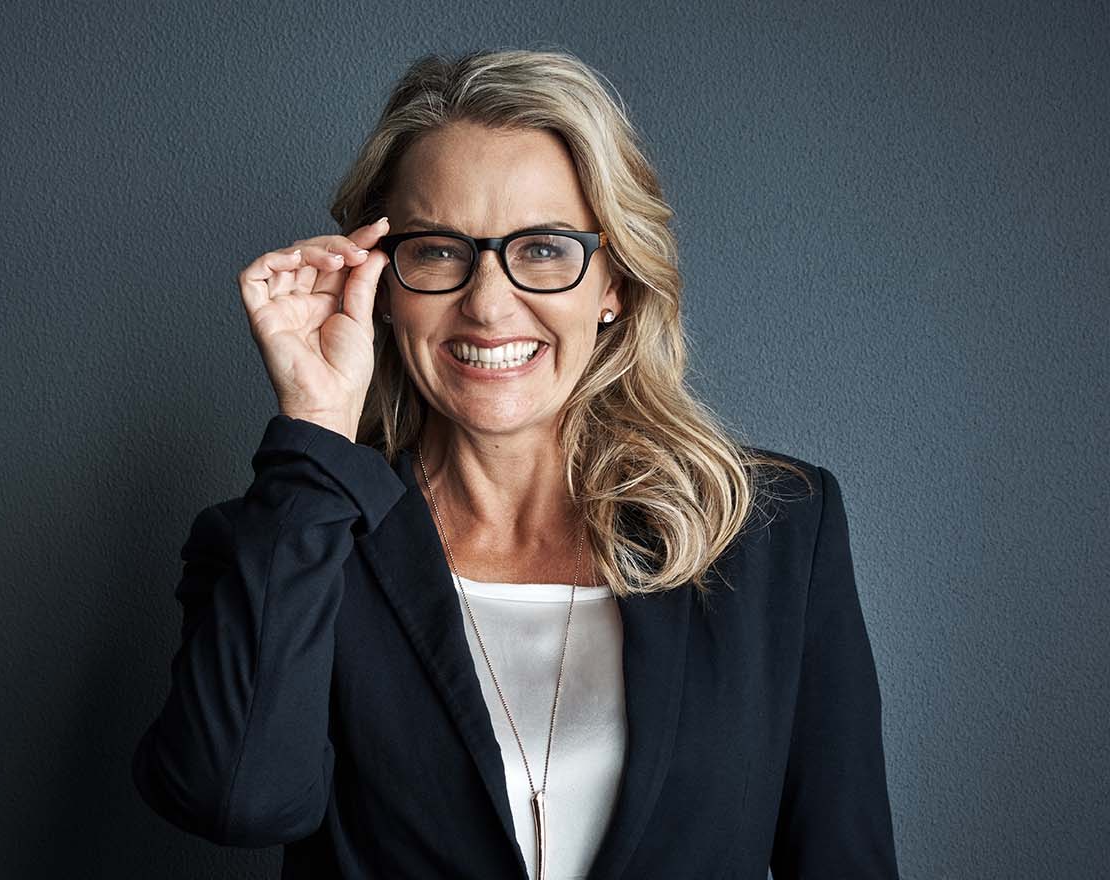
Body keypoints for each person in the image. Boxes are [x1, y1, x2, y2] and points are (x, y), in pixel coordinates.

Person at [130, 48, 898, 879]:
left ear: (615, 283)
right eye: (437, 250)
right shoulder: (296, 540)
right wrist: (316, 426)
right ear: (384, 283)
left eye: (541, 249)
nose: (489, 304)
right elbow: (235, 801)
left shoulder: (775, 529)